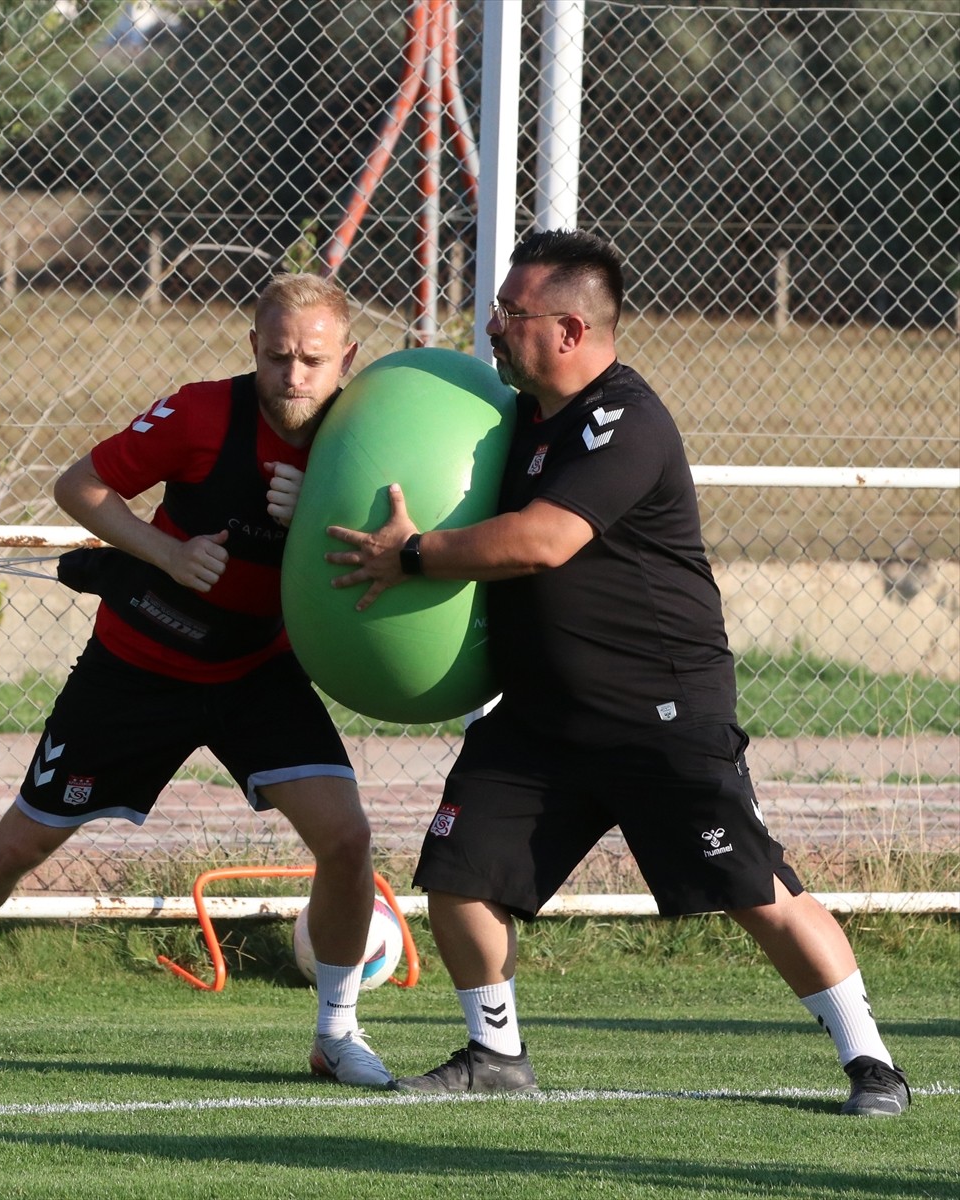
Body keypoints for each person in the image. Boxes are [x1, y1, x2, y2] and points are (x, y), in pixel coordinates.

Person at [324, 229, 910, 1116]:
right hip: (540, 719)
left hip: (657, 712)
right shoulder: (518, 417)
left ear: (567, 330)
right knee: (457, 875)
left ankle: (871, 1063)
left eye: (510, 315)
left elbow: (541, 541)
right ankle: (495, 1053)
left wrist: (414, 556)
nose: (491, 328)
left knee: (758, 892)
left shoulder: (625, 419)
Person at [0, 272, 394, 1088]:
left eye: (311, 360)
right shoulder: (199, 412)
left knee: (346, 839)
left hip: (255, 670)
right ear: (252, 349)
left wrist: (328, 506)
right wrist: (166, 553)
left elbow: (397, 542)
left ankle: (336, 1032)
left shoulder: (364, 437)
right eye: (276, 357)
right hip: (138, 667)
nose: (293, 377)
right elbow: (79, 486)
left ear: (348, 359)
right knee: (27, 839)